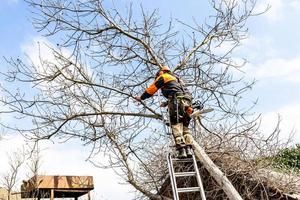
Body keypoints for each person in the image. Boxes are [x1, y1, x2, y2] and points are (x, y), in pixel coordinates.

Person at [134, 66, 194, 158]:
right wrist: (167, 103)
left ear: (161, 72)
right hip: (187, 102)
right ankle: (189, 149)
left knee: (176, 123)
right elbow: (178, 92)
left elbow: (152, 88)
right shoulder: (177, 79)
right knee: (185, 125)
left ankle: (182, 150)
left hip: (176, 102)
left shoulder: (164, 76)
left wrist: (141, 97)